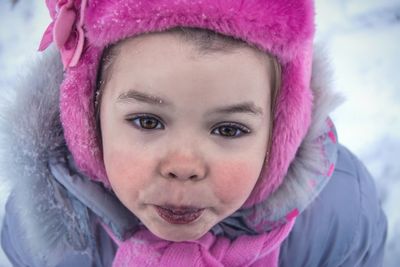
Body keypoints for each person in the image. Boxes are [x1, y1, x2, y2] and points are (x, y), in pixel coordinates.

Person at [0, 0, 387, 266]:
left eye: (228, 129)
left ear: (279, 130)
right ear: (88, 115)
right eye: (148, 121)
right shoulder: (42, 227)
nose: (183, 165)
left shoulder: (339, 214)